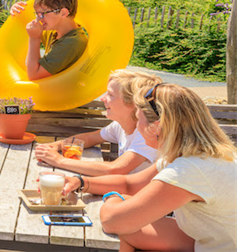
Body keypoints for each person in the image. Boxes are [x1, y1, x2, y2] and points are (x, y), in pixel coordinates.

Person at [63, 83, 237, 252]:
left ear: (157, 127)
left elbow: (112, 221)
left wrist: (113, 197)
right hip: (209, 240)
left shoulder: (188, 170)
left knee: (121, 229)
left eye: (138, 119)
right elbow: (130, 184)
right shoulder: (201, 154)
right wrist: (81, 182)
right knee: (129, 233)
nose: (137, 126)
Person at [34, 70, 159, 175]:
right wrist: (56, 146)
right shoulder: (120, 125)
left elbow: (116, 169)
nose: (102, 98)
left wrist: (58, 160)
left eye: (110, 94)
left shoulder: (147, 133)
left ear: (132, 104)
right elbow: (90, 137)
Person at [10, 0, 88, 80]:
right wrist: (18, 12)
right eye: (37, 14)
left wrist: (35, 38)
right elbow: (28, 25)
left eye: (42, 14)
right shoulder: (54, 30)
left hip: (64, 93)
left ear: (63, 13)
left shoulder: (72, 43)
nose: (38, 18)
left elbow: (34, 76)